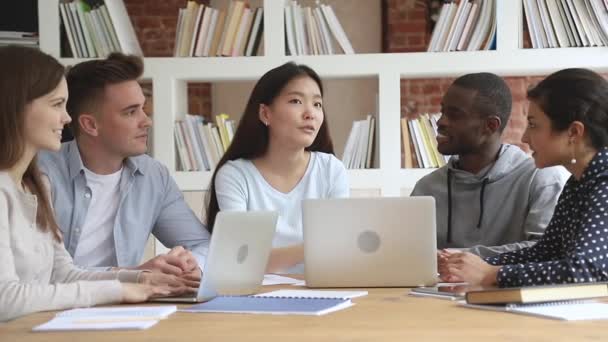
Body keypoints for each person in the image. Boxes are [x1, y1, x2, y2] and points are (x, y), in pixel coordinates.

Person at [0, 46, 188, 322]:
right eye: (56, 105)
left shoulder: (36, 184)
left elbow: (63, 273)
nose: (66, 118)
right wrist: (118, 291)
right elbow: (5, 299)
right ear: (16, 107)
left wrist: (142, 279)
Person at [37, 53, 209, 283]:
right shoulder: (39, 172)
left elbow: (202, 244)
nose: (146, 120)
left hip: (126, 306)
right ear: (90, 124)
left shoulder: (153, 175)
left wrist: (191, 265)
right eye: (130, 112)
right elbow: (38, 275)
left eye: (143, 108)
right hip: (56, 308)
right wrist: (133, 276)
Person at [441, 68, 608, 287]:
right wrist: (469, 264)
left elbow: (586, 270)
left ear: (574, 132)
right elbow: (546, 252)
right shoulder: (578, 183)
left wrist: (492, 274)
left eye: (533, 125)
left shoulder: (604, 183)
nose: (524, 137)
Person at [205, 62, 349, 274]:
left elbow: (341, 251)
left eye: (317, 104)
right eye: (296, 101)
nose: (310, 113)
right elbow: (241, 259)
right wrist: (316, 246)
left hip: (320, 290)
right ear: (265, 114)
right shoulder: (235, 175)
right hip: (254, 295)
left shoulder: (331, 170)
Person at [411, 72, 568, 258]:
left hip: (508, 286)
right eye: (443, 111)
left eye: (454, 115)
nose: (441, 122)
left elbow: (546, 251)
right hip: (435, 288)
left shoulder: (541, 178)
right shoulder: (426, 187)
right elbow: (409, 253)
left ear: (491, 126)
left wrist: (461, 258)